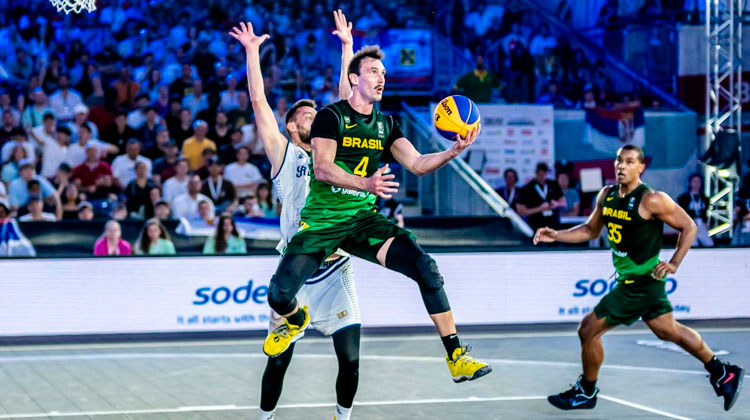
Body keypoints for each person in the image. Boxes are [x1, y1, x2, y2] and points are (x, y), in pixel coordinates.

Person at [233, 17, 491, 396]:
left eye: (384, 72)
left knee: (426, 268)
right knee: (277, 297)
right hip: (319, 227)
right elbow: (321, 166)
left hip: (356, 230)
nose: (382, 77)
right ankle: (294, 320)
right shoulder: (320, 125)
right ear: (357, 79)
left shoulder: (386, 124)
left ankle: (455, 355)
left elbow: (418, 164)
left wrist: (454, 150)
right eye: (373, 71)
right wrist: (367, 183)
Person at [534, 145, 744, 412]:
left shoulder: (652, 200)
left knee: (588, 330)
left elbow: (689, 226)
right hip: (636, 282)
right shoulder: (607, 195)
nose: (622, 166)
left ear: (640, 167)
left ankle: (586, 392)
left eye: (629, 162)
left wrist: (675, 262)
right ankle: (722, 372)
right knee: (669, 330)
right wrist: (557, 235)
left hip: (641, 283)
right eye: (619, 161)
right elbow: (589, 230)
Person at [231, 14, 365, 420]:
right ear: (292, 127)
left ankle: (343, 418)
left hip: (336, 268)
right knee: (278, 361)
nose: (315, 117)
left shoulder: (335, 150)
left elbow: (347, 98)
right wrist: (253, 54)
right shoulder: (285, 155)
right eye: (306, 115)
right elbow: (258, 103)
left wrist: (347, 47)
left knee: (351, 360)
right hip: (296, 270)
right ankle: (264, 418)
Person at [517, 162, 566, 231]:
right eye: (540, 174)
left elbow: (563, 203)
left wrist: (556, 204)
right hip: (536, 225)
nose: (542, 176)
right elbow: (522, 211)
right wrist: (540, 208)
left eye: (544, 173)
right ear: (536, 173)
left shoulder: (553, 184)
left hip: (553, 225)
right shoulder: (526, 189)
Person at [677, 173, 714, 247]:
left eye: (699, 182)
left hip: (701, 224)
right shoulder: (683, 198)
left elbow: (705, 212)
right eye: (695, 181)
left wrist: (707, 222)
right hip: (689, 224)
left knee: (709, 244)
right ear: (690, 183)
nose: (697, 184)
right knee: (692, 244)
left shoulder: (704, 198)